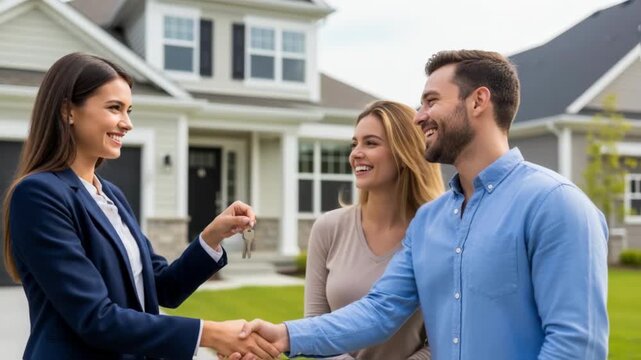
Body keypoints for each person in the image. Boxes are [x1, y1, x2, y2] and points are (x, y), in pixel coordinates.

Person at [233, 50, 609, 360]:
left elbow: (576, 346)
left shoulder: (555, 205)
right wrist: (284, 335)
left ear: (478, 100)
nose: (418, 116)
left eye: (431, 101)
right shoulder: (430, 221)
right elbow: (379, 310)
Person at [2, 52, 279, 360]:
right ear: (68, 111)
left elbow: (163, 287)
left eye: (129, 110)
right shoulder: (39, 195)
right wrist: (210, 333)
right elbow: (96, 318)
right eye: (114, 108)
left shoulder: (112, 196)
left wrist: (212, 236)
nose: (127, 123)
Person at [304, 100, 443, 360]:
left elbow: (444, 338)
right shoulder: (328, 228)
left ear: (404, 152)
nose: (356, 153)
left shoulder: (438, 233)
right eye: (354, 143)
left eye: (371, 143)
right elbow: (313, 325)